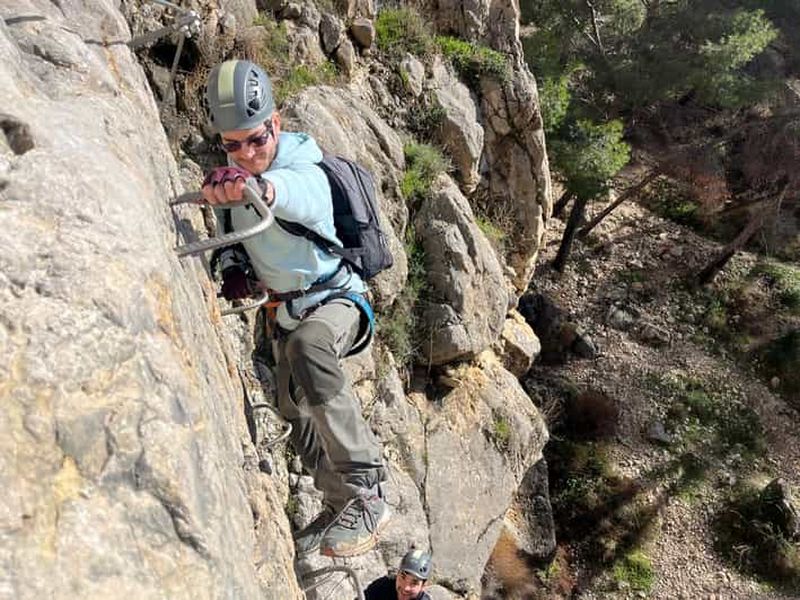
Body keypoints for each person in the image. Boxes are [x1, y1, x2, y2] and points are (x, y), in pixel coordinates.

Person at [201, 59, 389, 558]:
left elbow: (296, 197)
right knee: (295, 412)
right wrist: (233, 266)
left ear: (276, 125)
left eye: (257, 140)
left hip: (337, 300)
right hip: (284, 312)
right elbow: (230, 237)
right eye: (233, 144)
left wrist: (260, 189)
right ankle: (339, 504)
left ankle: (368, 489)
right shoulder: (233, 181)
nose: (247, 153)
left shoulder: (303, 168)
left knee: (310, 347)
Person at [364, 548, 433, 600]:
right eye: (403, 577)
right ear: (397, 573)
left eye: (414, 583)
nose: (405, 587)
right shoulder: (383, 586)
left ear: (423, 586)